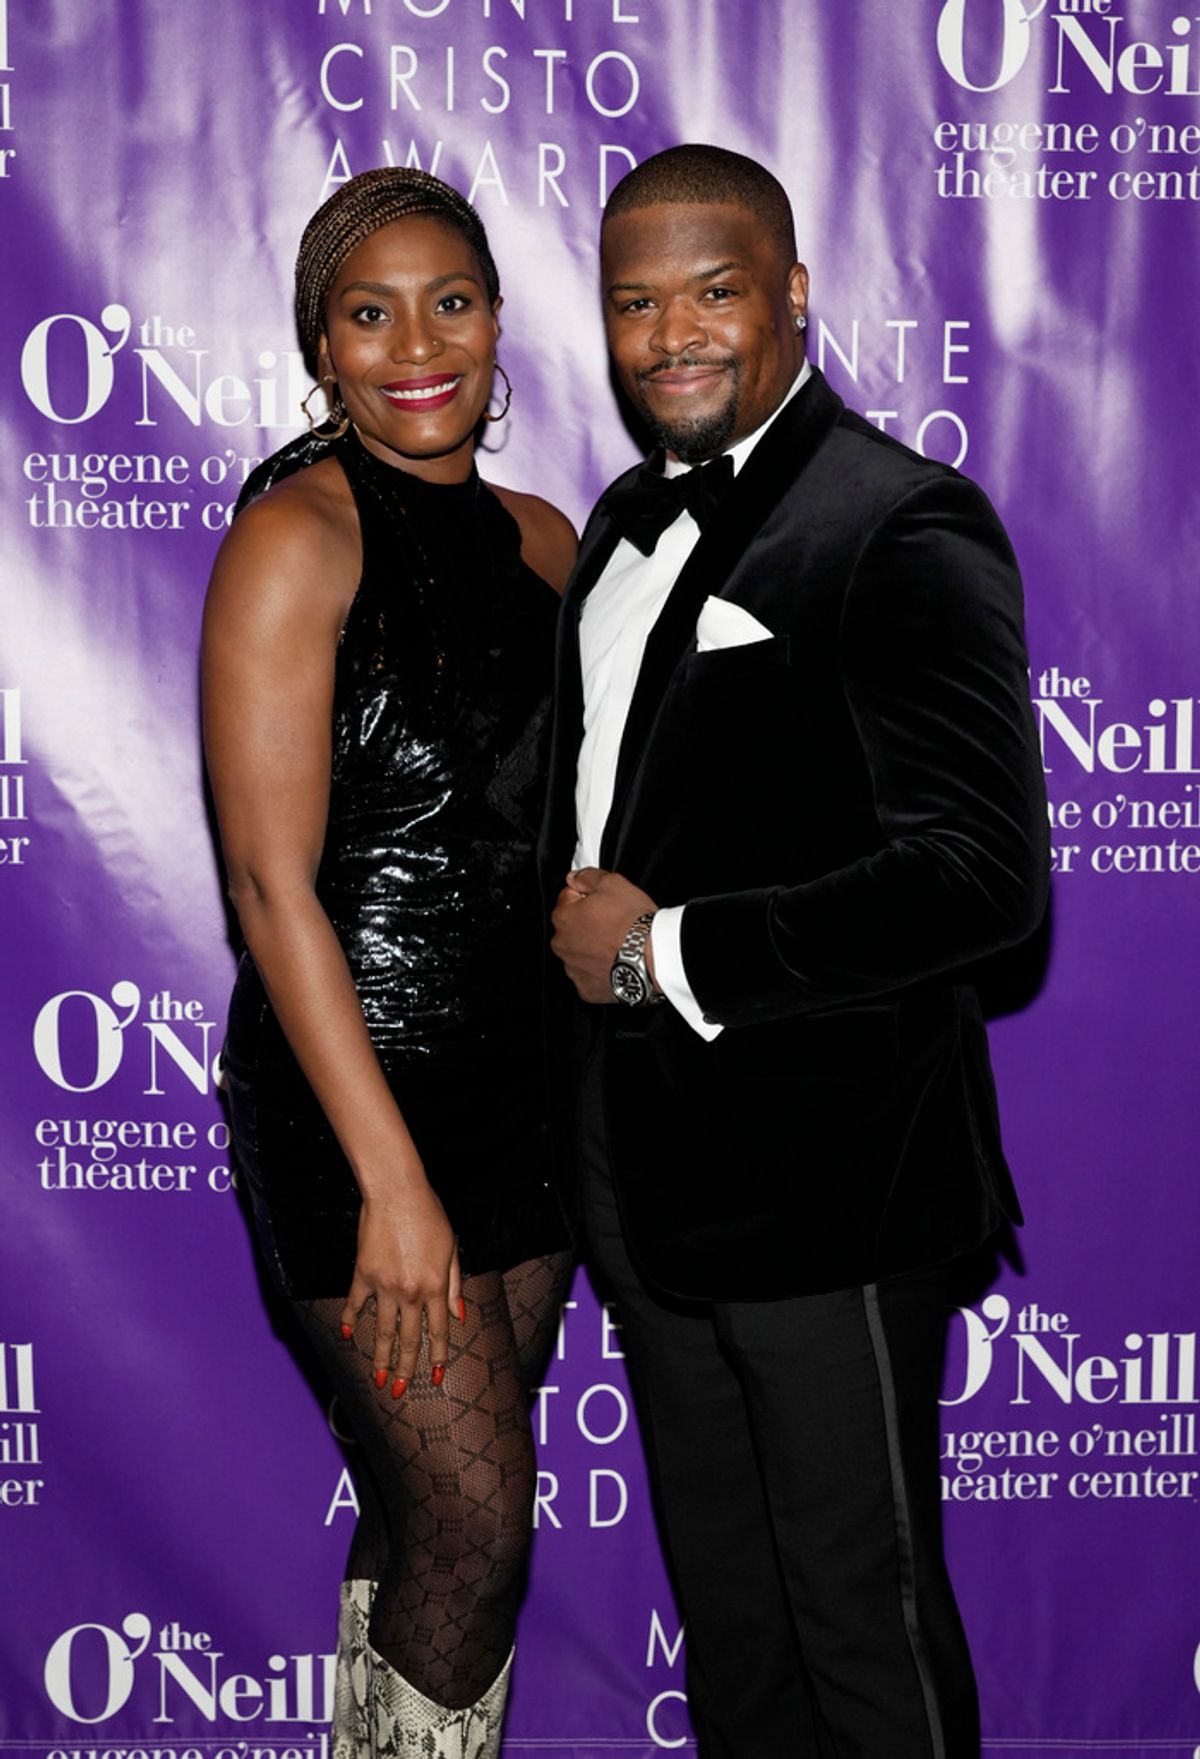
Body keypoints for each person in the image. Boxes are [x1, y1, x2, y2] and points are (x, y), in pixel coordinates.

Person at [546, 145, 1049, 1758]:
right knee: (739, 1634)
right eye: (637, 301)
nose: (673, 332)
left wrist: (667, 952)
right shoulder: (622, 519)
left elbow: (979, 881)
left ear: (794, 297)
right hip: (647, 1189)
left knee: (862, 1629)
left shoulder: (900, 519)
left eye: (714, 290)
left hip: (831, 1190)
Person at [202, 167, 576, 1759]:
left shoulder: (552, 538)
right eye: (371, 313)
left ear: (498, 322)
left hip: (530, 1099)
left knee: (436, 1531)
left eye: (453, 302)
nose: (417, 343)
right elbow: (271, 888)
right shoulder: (295, 539)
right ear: (322, 348)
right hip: (357, 1103)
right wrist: (392, 1183)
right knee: (482, 1537)